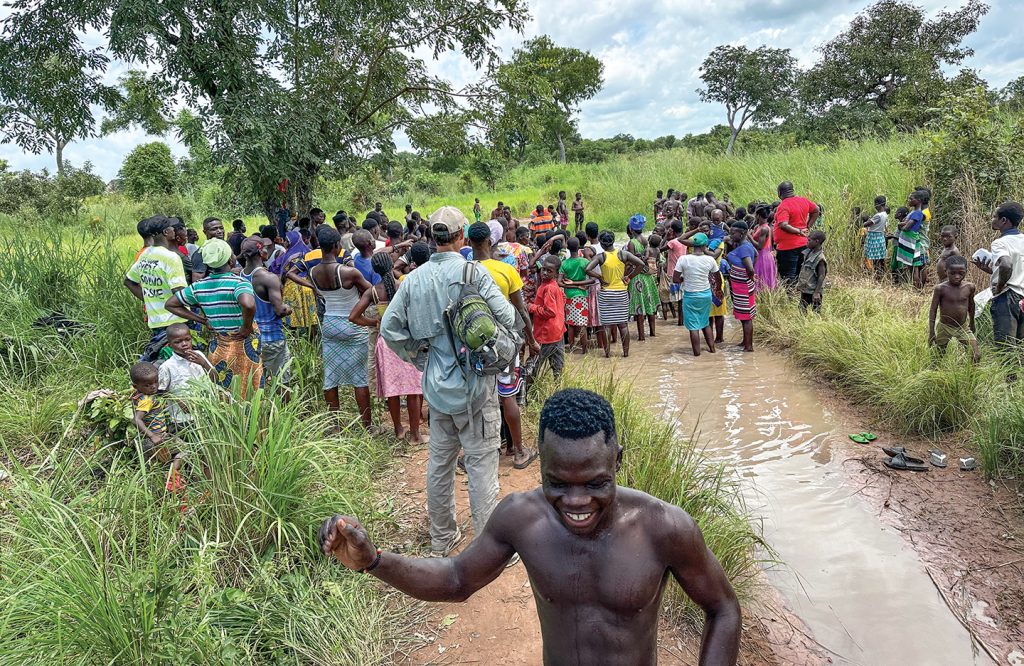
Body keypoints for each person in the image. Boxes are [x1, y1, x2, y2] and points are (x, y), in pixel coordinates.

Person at [318, 388, 741, 666]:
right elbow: (457, 577)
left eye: (595, 483)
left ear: (618, 460)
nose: (576, 503)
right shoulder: (522, 518)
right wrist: (374, 561)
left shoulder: (663, 528)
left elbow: (723, 608)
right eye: (558, 484)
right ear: (539, 461)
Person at [380, 206, 517, 556]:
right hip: (475, 385)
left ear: (431, 237)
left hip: (436, 387)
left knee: (439, 465)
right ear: (460, 237)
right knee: (481, 463)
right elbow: (508, 317)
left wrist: (420, 356)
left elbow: (389, 329)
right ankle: (488, 548)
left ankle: (443, 537)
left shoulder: (413, 279)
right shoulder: (473, 272)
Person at [466, 222, 539, 470]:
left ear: (468, 242)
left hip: (473, 344)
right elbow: (521, 310)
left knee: (477, 396)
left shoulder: (464, 271)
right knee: (508, 397)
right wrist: (532, 340)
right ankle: (518, 452)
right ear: (490, 242)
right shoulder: (506, 270)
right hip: (505, 344)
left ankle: (475, 452)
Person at [166, 238, 264, 397]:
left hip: (219, 343)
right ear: (230, 260)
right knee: (249, 386)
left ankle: (228, 419)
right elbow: (248, 304)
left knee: (223, 384)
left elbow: (171, 304)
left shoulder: (198, 287)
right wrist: (246, 327)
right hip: (244, 342)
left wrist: (204, 320)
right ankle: (249, 419)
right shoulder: (238, 282)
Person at [348, 252, 425, 442]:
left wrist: (375, 322)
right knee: (413, 390)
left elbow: (353, 316)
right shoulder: (405, 286)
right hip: (407, 341)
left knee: (394, 390)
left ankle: (398, 430)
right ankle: (415, 434)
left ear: (374, 269)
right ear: (392, 266)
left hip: (386, 343)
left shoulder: (373, 292)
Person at [309, 226, 374, 425]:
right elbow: (371, 291)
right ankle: (367, 426)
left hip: (329, 324)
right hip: (353, 325)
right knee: (359, 378)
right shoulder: (349, 272)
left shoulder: (312, 272)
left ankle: (335, 426)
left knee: (331, 376)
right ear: (338, 246)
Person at [123, 216, 188, 362]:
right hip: (175, 319)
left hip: (156, 320)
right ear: (166, 232)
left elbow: (129, 281)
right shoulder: (171, 257)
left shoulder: (145, 254)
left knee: (162, 359)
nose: (174, 230)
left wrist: (149, 298)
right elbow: (179, 293)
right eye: (171, 228)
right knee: (178, 362)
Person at [239, 236, 294, 396]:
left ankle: (260, 414)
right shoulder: (269, 278)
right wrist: (289, 308)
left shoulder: (239, 276)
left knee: (255, 381)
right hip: (272, 338)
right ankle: (282, 415)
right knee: (281, 381)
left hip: (250, 338)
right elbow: (280, 310)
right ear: (261, 252)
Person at [586, 230, 645, 358]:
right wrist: (629, 276)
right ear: (613, 241)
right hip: (621, 293)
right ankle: (626, 353)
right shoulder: (623, 254)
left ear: (601, 243)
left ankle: (607, 354)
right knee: (623, 325)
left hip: (606, 293)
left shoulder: (600, 257)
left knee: (607, 325)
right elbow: (641, 264)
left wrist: (600, 278)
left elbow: (587, 269)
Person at [973, 201, 1024, 347]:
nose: (992, 219)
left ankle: (1008, 371)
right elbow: (1016, 269)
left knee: (1005, 347)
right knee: (1020, 346)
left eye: (994, 216)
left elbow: (1006, 264)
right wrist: (991, 271)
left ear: (1003, 221)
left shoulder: (1000, 243)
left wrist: (999, 286)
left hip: (1007, 297)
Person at [158, 322, 216, 425]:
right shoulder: (167, 366)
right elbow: (161, 391)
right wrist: (178, 401)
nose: (184, 344)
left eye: (187, 339)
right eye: (178, 342)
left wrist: (203, 363)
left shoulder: (199, 355)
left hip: (207, 412)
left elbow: (215, 378)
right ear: (170, 345)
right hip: (184, 419)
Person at [672, 233, 719, 356]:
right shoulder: (710, 259)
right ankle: (712, 350)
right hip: (705, 295)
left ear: (692, 245)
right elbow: (717, 278)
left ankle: (697, 355)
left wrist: (685, 279)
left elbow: (675, 279)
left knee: (693, 327)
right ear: (705, 245)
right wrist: (718, 289)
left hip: (690, 296)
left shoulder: (683, 259)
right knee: (705, 323)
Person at [928, 255, 979, 363]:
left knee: (976, 355)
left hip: (963, 327)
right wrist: (931, 332)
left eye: (961, 273)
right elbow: (933, 310)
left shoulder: (969, 287)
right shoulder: (941, 289)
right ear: (946, 271)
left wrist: (972, 322)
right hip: (944, 327)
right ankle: (935, 374)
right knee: (938, 355)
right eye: (952, 273)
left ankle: (971, 377)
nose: (957, 276)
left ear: (966, 271)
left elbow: (971, 306)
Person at [270, 230, 318, 332]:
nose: (285, 243)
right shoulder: (309, 252)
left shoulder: (288, 255)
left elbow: (284, 274)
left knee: (291, 318)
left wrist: (281, 285)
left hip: (292, 287)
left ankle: (295, 342)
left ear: (291, 241)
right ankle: (314, 341)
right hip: (308, 286)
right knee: (311, 318)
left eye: (287, 241)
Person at [130, 361, 177, 464]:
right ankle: (173, 472)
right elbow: (136, 420)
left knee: (154, 464)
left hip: (146, 437)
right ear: (135, 386)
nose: (153, 386)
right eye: (148, 385)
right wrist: (152, 436)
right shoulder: (147, 400)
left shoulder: (137, 395)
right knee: (186, 451)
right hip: (157, 436)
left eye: (156, 381)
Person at [773, 181, 818, 287]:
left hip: (788, 247)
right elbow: (816, 210)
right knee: (799, 273)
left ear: (779, 193)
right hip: (803, 244)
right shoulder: (803, 200)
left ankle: (791, 299)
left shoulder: (783, 205)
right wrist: (807, 226)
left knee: (788, 276)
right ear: (792, 190)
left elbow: (783, 224)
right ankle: (798, 298)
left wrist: (799, 231)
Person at [529, 255, 567, 380]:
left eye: (549, 271)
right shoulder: (554, 286)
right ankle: (558, 391)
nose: (544, 273)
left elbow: (550, 312)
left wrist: (532, 307)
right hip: (558, 331)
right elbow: (563, 301)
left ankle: (526, 394)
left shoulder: (549, 288)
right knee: (557, 367)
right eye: (543, 269)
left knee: (534, 365)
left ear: (556, 273)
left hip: (545, 333)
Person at [725, 222, 757, 352]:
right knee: (744, 316)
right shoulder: (745, 245)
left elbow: (749, 268)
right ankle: (745, 342)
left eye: (733, 233)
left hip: (742, 285)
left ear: (743, 233)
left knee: (746, 317)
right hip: (741, 284)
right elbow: (756, 254)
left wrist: (749, 276)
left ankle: (748, 346)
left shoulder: (744, 248)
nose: (731, 235)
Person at [559, 236, 593, 354]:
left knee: (571, 324)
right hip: (582, 295)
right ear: (579, 247)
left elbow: (559, 282)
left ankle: (572, 348)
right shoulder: (585, 262)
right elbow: (592, 280)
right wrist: (578, 285)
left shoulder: (564, 263)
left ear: (567, 247)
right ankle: (585, 350)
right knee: (582, 324)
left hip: (568, 296)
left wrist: (571, 285)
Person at [895, 190, 928, 288]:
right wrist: (902, 224)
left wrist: (900, 224)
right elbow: (903, 225)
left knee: (914, 267)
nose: (908, 200)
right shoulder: (913, 212)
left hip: (911, 241)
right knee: (911, 266)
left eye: (911, 199)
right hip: (909, 240)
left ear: (918, 200)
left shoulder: (917, 213)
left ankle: (917, 289)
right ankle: (914, 287)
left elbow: (905, 227)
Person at [663, 220, 687, 326]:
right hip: (684, 272)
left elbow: (659, 248)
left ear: (672, 230)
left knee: (678, 299)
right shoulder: (685, 240)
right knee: (682, 298)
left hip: (674, 273)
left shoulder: (672, 242)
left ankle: (680, 322)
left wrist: (665, 236)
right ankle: (682, 321)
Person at [798, 230, 827, 312]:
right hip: (806, 289)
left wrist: (817, 292)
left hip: (814, 290)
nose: (807, 242)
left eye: (809, 240)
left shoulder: (820, 258)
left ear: (816, 241)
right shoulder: (808, 252)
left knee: (816, 311)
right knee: (801, 308)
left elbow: (821, 275)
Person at [190, 217, 225, 283]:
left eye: (221, 228)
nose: (220, 231)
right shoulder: (201, 253)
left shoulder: (225, 248)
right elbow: (197, 281)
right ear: (205, 232)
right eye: (214, 229)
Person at [750, 206, 777, 292]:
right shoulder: (759, 226)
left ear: (758, 215)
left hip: (763, 257)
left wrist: (749, 236)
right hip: (760, 255)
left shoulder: (764, 228)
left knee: (761, 280)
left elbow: (760, 246)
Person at [863, 196, 888, 280]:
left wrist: (864, 222)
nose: (874, 206)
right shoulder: (885, 214)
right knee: (880, 259)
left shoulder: (878, 215)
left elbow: (867, 224)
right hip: (880, 236)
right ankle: (881, 276)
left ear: (878, 204)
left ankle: (877, 277)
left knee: (875, 259)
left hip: (874, 237)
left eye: (875, 204)